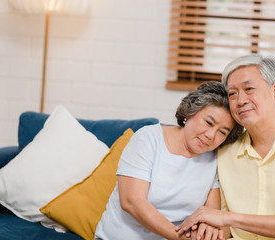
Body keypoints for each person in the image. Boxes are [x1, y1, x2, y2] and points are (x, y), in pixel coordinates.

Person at [177, 54, 275, 239]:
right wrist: (206, 231)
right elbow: (224, 226)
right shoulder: (225, 150)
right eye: (232, 93)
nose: (240, 100)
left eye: (249, 89)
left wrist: (229, 218)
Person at [95, 81, 243, 240]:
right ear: (190, 112)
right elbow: (131, 201)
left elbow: (212, 216)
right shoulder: (148, 138)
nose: (211, 135)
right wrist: (180, 238)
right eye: (208, 122)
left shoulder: (213, 157)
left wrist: (207, 231)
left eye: (222, 132)